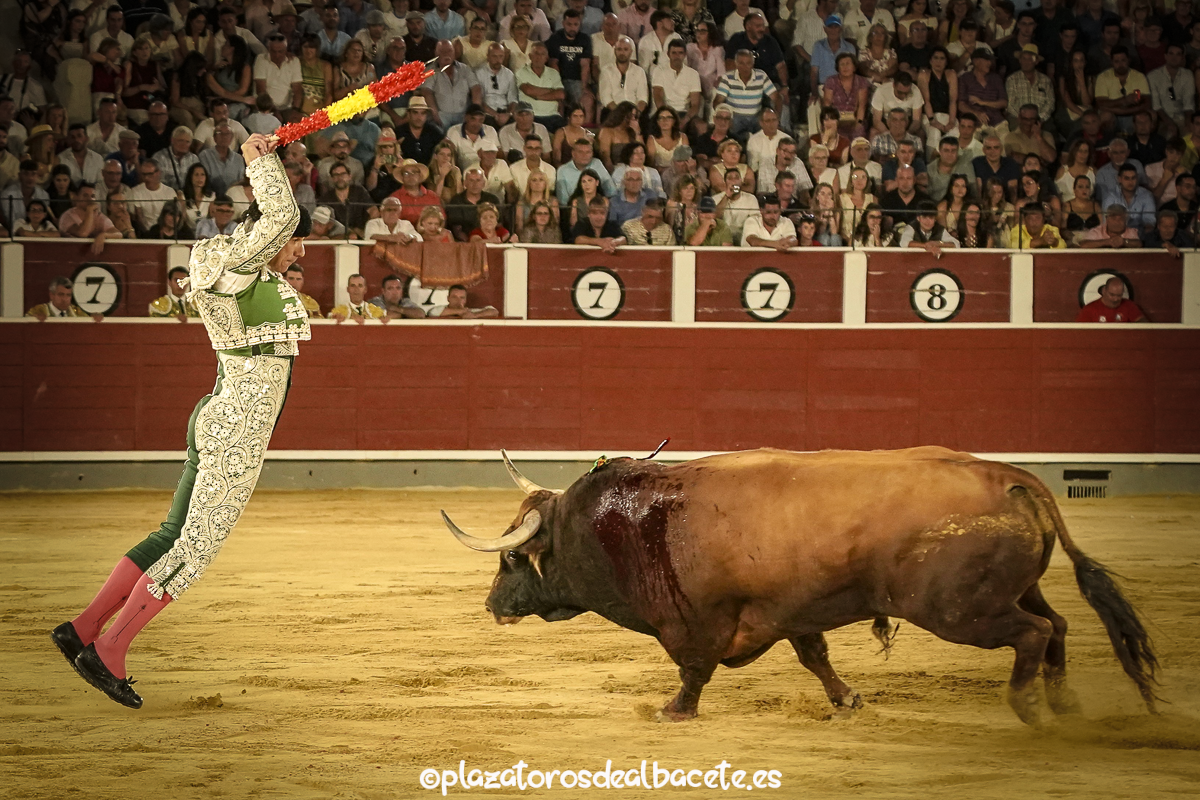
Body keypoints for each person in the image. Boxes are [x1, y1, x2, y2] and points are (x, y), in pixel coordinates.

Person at [50, 135, 311, 709]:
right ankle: (110, 650)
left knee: (172, 535)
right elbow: (281, 214)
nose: (299, 253)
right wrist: (260, 160)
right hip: (237, 430)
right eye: (296, 244)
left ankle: (84, 628)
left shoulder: (238, 270)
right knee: (194, 548)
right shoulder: (231, 263)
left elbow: (279, 226)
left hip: (219, 413)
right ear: (268, 233)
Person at [1076, 276, 1146, 322]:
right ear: (1104, 291)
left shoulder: (1129, 306)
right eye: (1112, 295)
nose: (1115, 299)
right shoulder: (1089, 310)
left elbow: (1144, 325)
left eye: (1119, 295)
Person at [26, 276, 92, 320]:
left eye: (68, 295)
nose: (65, 299)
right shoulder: (38, 311)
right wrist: (34, 320)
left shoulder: (77, 312)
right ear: (51, 295)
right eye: (61, 295)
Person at [428, 284, 499, 319]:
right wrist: (460, 311)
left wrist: (474, 315)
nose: (458, 300)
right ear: (448, 298)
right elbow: (432, 312)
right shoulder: (440, 310)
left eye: (462, 298)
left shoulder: (470, 312)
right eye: (454, 297)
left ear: (465, 300)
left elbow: (494, 311)